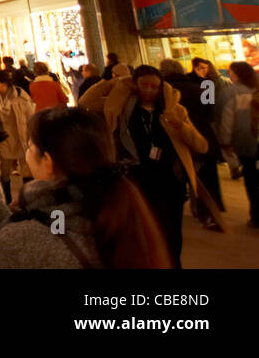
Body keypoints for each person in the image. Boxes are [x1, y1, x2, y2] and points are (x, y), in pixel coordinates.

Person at [0, 108, 172, 268]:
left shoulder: (38, 234)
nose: (27, 153)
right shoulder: (109, 210)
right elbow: (38, 240)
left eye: (31, 147)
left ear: (48, 161)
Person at [104, 65, 209, 268]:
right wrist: (117, 81)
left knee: (172, 234)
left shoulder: (174, 110)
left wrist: (181, 126)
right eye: (144, 85)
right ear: (135, 85)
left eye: (155, 86)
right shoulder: (122, 108)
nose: (150, 90)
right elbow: (85, 102)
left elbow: (201, 146)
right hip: (137, 181)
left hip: (170, 182)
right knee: (143, 233)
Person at [165, 57, 224, 230]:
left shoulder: (166, 91)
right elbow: (210, 110)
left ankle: (190, 208)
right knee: (206, 176)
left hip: (177, 138)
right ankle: (210, 212)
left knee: (181, 174)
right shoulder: (203, 86)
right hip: (202, 134)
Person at [219, 61, 258, 228]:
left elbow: (226, 120)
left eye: (231, 72)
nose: (230, 75)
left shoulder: (230, 93)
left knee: (252, 180)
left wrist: (225, 141)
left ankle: (256, 216)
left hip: (247, 143)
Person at [0, 70, 35, 203]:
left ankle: (28, 198)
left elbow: (30, 115)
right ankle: (6, 200)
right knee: (3, 171)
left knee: (27, 168)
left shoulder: (19, 95)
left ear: (4, 83)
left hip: (20, 136)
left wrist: (32, 133)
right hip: (3, 138)